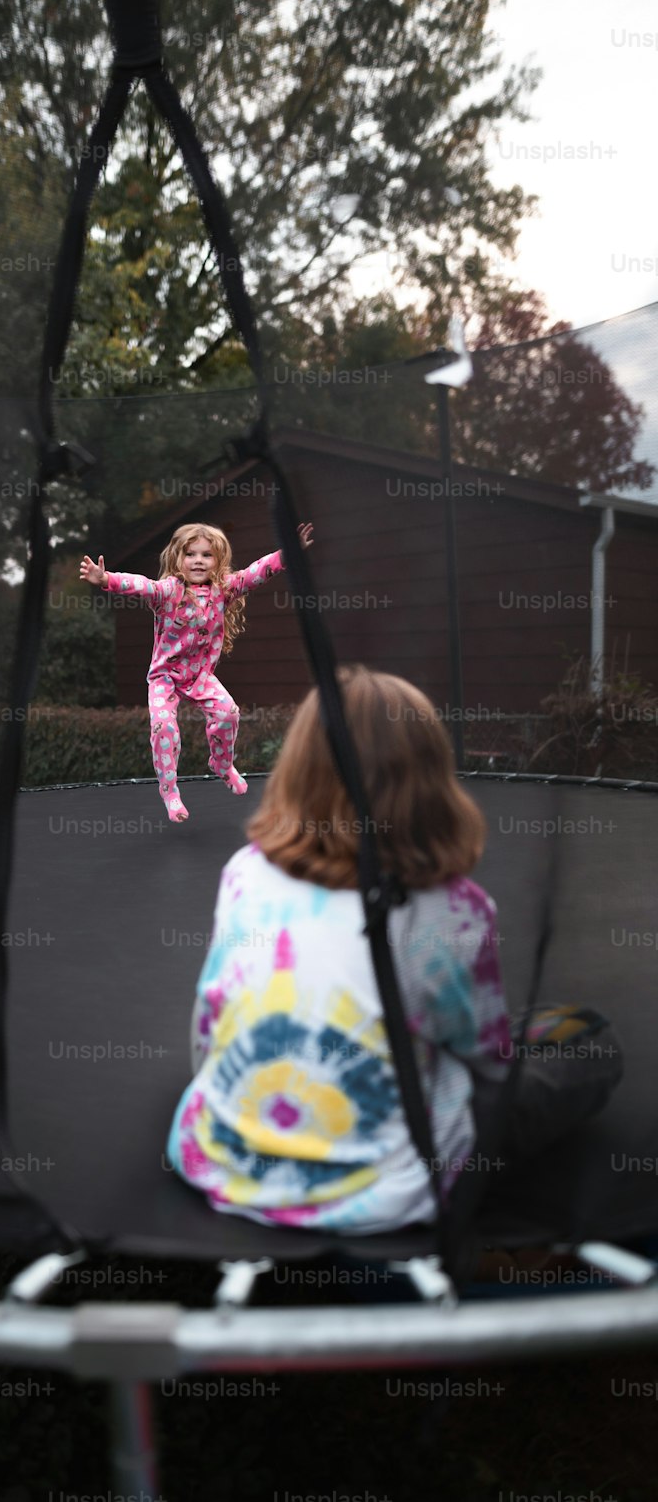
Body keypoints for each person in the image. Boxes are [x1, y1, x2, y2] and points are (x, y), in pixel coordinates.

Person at [166, 667, 623, 1233]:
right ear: (430, 785)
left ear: (297, 772)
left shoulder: (246, 873)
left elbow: (208, 1025)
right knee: (591, 1044)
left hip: (218, 1158)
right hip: (385, 1190)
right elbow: (486, 1063)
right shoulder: (455, 912)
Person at [79, 521, 312, 821]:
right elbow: (141, 585)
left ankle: (221, 764)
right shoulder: (168, 592)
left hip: (200, 676)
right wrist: (106, 579)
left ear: (218, 561)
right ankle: (170, 791)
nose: (198, 561)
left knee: (228, 713)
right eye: (191, 554)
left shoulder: (223, 590)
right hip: (165, 678)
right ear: (178, 558)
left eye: (207, 555)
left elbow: (256, 573)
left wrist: (287, 553)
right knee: (163, 727)